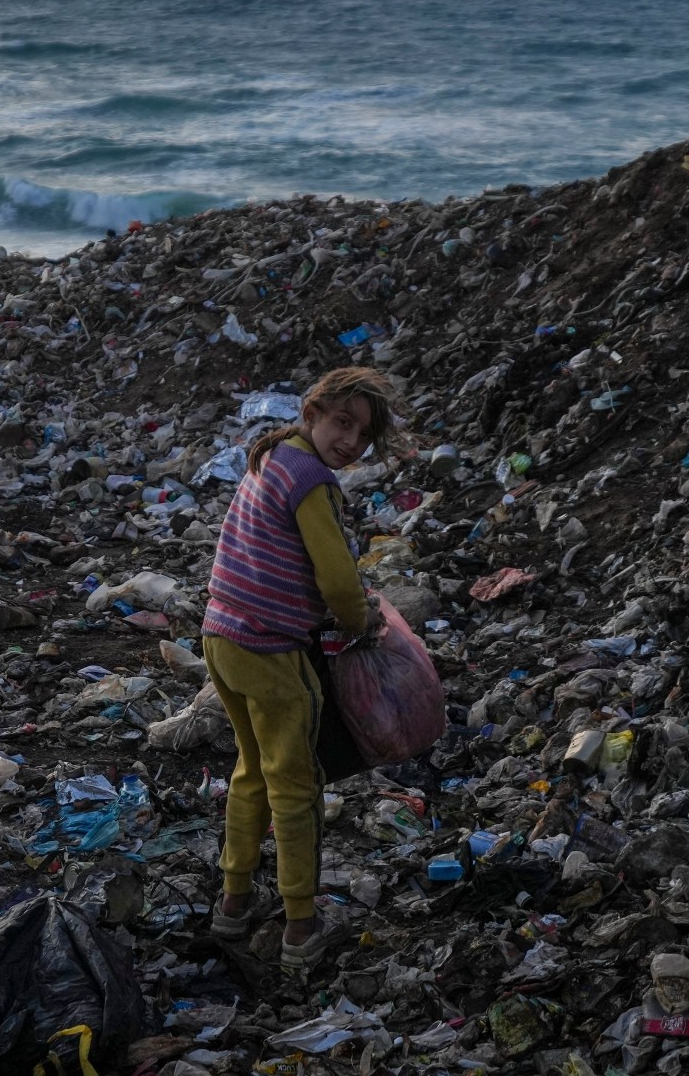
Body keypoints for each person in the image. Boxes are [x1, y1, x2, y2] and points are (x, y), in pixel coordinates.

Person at [201, 366, 404, 970]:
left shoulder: (272, 456)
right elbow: (339, 577)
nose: (351, 442)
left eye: (363, 436)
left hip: (221, 635)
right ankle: (300, 926)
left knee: (250, 772)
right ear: (312, 412)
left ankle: (232, 904)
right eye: (343, 423)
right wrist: (357, 621)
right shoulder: (312, 478)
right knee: (296, 784)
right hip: (269, 650)